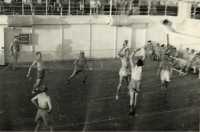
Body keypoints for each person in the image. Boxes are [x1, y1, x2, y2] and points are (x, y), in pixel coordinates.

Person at [128, 50, 144, 115]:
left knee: (131, 97)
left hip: (133, 82)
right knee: (136, 97)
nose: (135, 60)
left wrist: (134, 51)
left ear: (136, 63)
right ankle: (134, 110)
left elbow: (130, 57)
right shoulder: (141, 68)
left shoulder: (133, 67)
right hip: (138, 83)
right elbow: (142, 58)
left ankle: (131, 110)